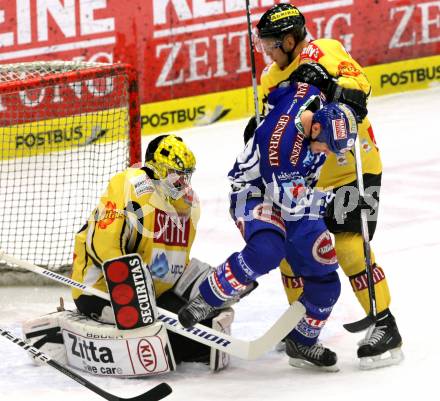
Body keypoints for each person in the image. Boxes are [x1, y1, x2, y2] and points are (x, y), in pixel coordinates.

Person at [249, 3, 403, 369]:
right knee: (292, 249)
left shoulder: (325, 50)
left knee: (349, 247)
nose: (266, 51)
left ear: (289, 40)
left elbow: (360, 94)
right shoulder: (270, 77)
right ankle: (302, 331)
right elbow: (271, 127)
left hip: (353, 169)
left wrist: (328, 83)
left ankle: (385, 325)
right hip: (305, 177)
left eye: (270, 44)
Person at [178, 80, 358, 371]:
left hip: (294, 191)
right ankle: (207, 298)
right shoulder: (282, 150)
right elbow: (292, 205)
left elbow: (286, 89)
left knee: (327, 281)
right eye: (326, 144)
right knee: (268, 249)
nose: (326, 152)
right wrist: (338, 205)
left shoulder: (312, 97)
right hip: (255, 192)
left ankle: (302, 342)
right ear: (314, 129)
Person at [70, 134, 232, 371]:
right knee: (153, 326)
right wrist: (135, 286)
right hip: (102, 290)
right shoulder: (132, 184)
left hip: (153, 295)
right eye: (176, 174)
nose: (183, 183)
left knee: (202, 318)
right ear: (156, 169)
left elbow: (176, 260)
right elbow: (102, 243)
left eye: (186, 175)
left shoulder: (188, 204)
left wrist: (198, 288)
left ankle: (185, 336)